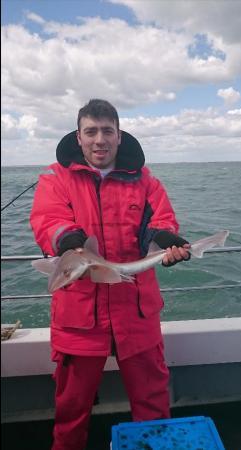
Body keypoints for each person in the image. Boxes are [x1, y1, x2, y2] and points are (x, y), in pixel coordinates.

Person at [30, 99, 190, 450]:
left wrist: (165, 239)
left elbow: (160, 220)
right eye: (91, 131)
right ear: (79, 137)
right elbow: (48, 221)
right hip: (80, 314)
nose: (99, 139)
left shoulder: (145, 180)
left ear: (119, 136)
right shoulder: (55, 179)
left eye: (107, 131)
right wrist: (68, 240)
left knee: (152, 403)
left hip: (136, 308)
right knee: (71, 407)